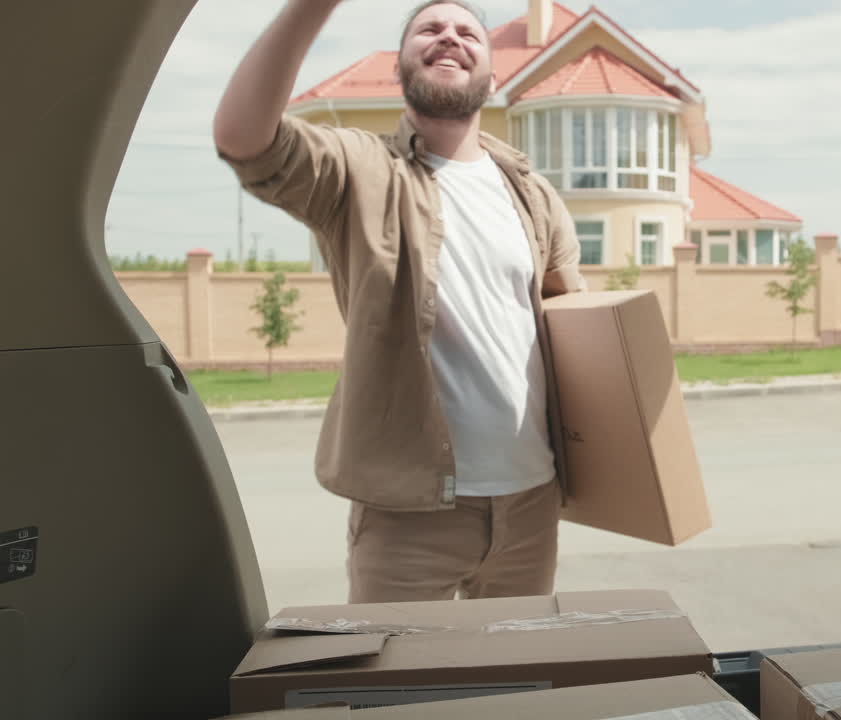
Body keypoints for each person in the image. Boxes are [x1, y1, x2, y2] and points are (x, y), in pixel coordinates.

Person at [213, 0, 585, 603]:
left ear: (491, 75)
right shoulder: (360, 171)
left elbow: (575, 332)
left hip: (532, 504)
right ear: (400, 66)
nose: (449, 37)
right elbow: (244, 139)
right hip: (411, 514)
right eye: (429, 29)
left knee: (518, 688)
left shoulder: (533, 193)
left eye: (469, 32)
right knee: (401, 696)